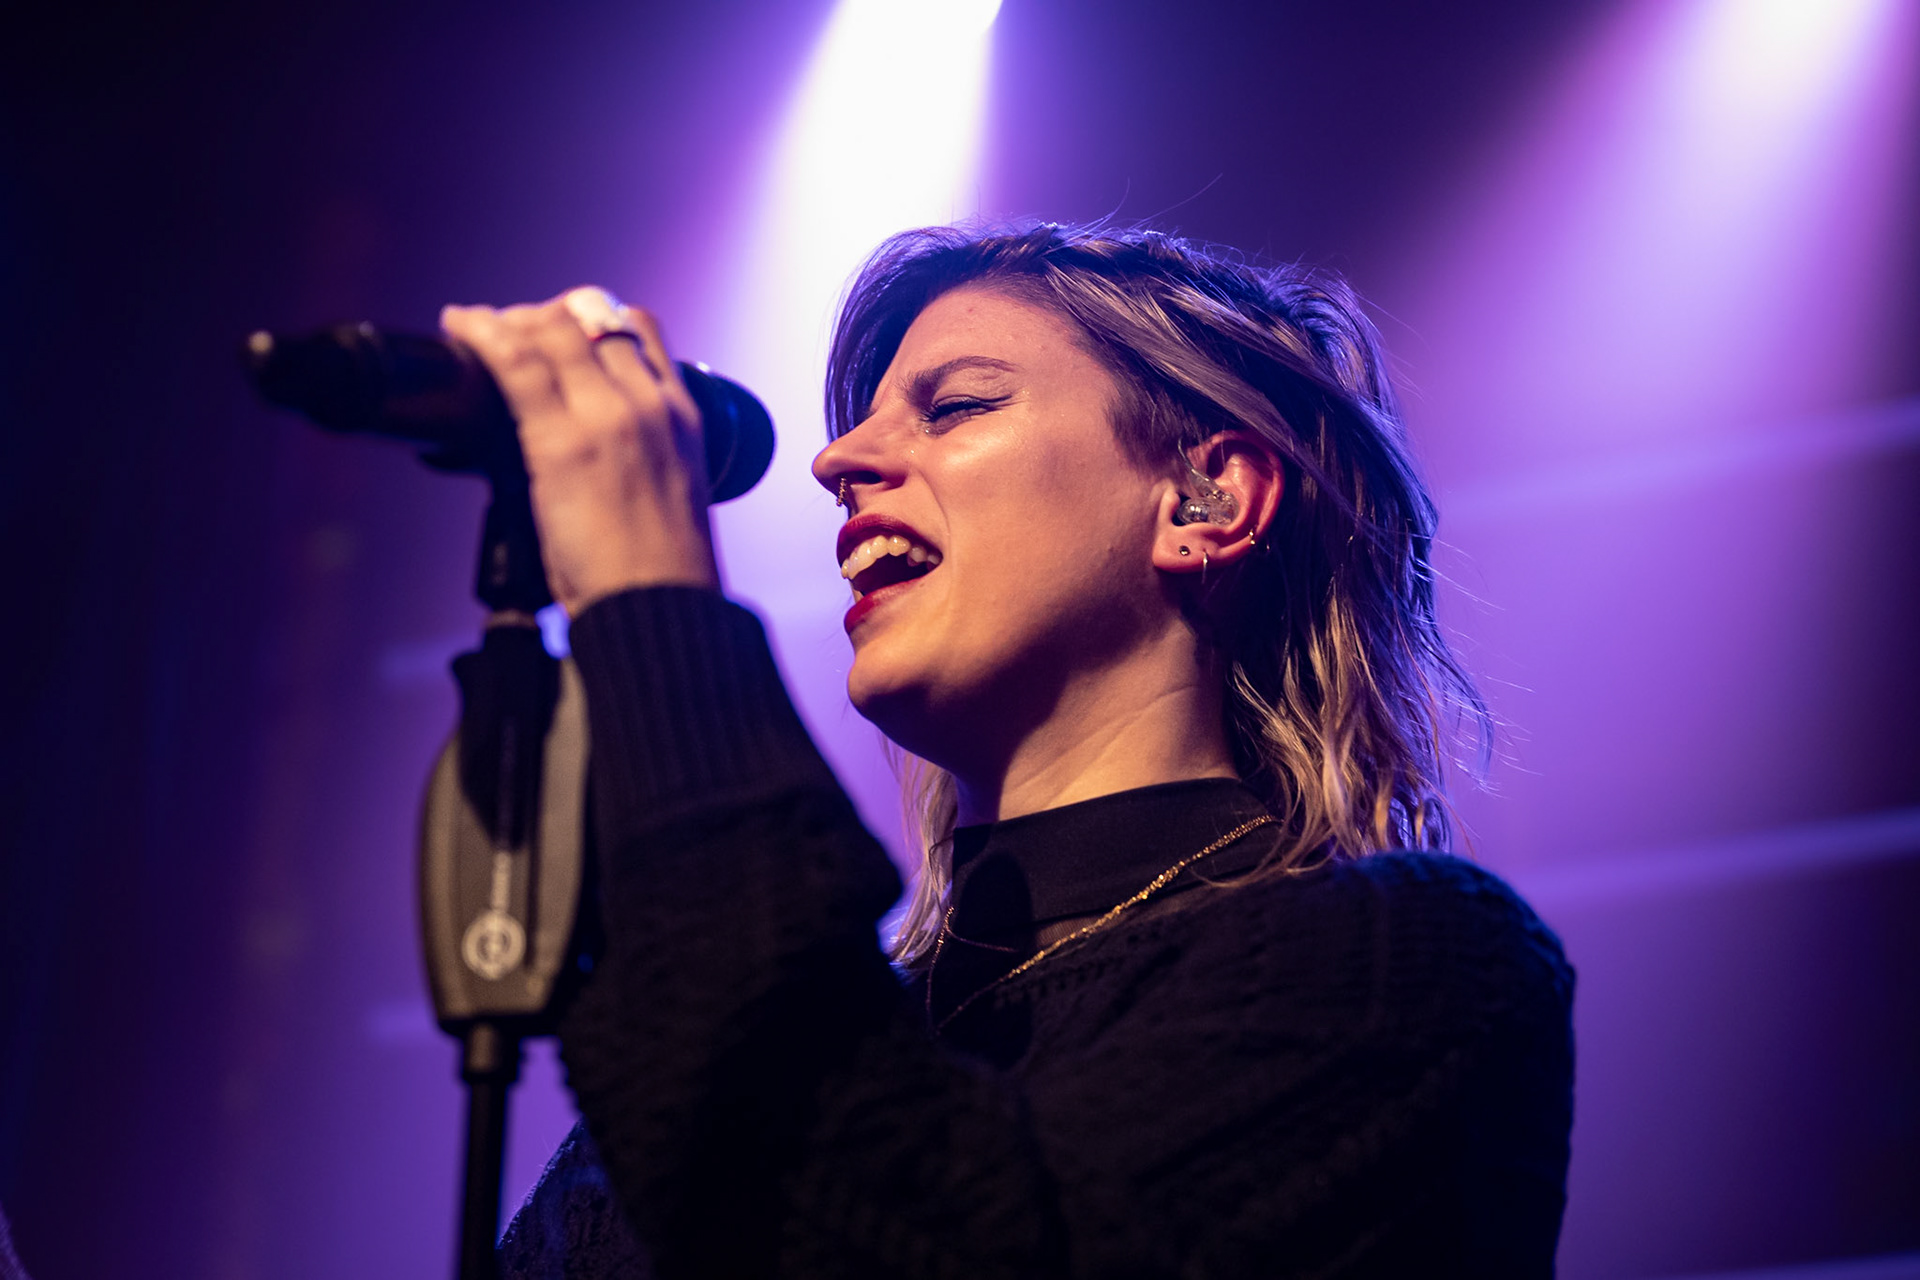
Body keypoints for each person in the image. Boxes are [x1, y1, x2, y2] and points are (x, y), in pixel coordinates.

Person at [442, 223, 1575, 1278]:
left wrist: (653, 602)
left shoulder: (1407, 969)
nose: (838, 459)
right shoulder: (779, 1037)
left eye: (956, 407)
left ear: (1207, 499)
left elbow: (893, 1234)